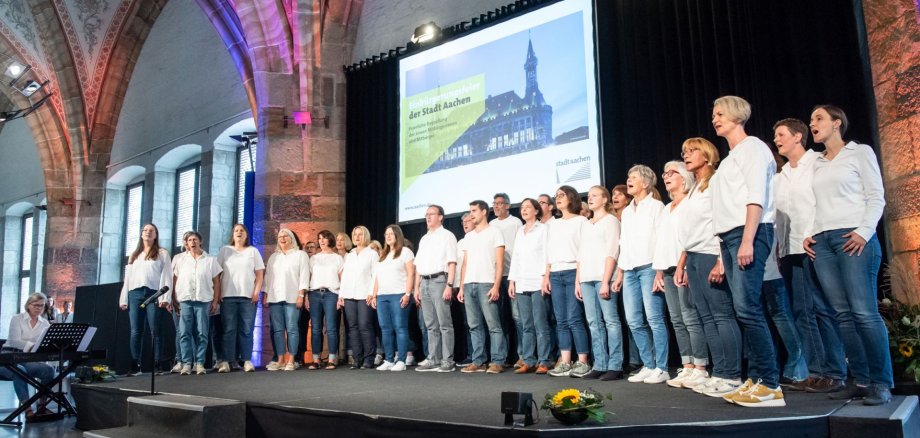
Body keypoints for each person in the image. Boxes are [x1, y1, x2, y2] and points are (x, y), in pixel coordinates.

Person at [804, 104, 891, 405]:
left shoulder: (859, 152)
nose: (812, 123)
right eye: (811, 119)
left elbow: (876, 197)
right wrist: (810, 232)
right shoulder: (816, 162)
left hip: (853, 238)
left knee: (864, 312)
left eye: (818, 118)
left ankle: (881, 382)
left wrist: (864, 232)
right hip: (824, 242)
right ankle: (862, 380)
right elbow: (818, 203)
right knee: (842, 315)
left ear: (836, 123)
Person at [709, 95, 783, 406]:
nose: (715, 118)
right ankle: (755, 380)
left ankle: (770, 385)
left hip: (748, 231)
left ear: (738, 115)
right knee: (744, 309)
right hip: (730, 236)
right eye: (713, 114)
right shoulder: (728, 159)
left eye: (721, 113)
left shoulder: (753, 147)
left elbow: (756, 197)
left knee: (749, 308)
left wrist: (749, 240)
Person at [773, 118, 847, 393]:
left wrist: (814, 233)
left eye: (781, 135)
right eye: (775, 135)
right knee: (802, 311)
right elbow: (778, 218)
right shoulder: (780, 177)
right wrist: (778, 247)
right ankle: (816, 371)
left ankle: (836, 372)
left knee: (823, 309)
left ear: (797, 137)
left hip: (815, 243)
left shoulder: (817, 163)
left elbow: (822, 201)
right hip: (790, 249)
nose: (776, 139)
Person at [676, 137, 742, 395]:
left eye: (692, 150)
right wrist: (683, 263)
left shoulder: (716, 182)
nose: (686, 155)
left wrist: (720, 259)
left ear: (707, 154)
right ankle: (721, 371)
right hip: (693, 256)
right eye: (684, 151)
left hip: (710, 254)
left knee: (722, 314)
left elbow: (723, 221)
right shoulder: (694, 187)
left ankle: (732, 374)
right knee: (705, 317)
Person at [652, 161, 709, 388]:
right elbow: (660, 242)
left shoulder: (690, 203)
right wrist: (658, 272)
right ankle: (687, 365)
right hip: (666, 269)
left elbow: (689, 238)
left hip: (682, 267)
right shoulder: (666, 208)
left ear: (684, 177)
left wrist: (683, 266)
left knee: (690, 317)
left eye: (671, 173)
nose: (666, 176)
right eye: (664, 173)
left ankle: (701, 366)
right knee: (677, 320)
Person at [613, 165, 669, 384]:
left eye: (633, 177)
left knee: (654, 318)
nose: (629, 180)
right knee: (634, 320)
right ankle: (649, 364)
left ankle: (662, 367)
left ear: (645, 183)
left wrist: (659, 271)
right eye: (628, 176)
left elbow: (661, 239)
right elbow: (623, 244)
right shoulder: (626, 212)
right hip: (629, 270)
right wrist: (619, 274)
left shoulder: (657, 207)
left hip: (649, 267)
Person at [575, 186, 624, 380]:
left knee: (611, 321)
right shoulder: (586, 223)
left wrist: (606, 281)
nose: (591, 198)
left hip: (603, 278)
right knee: (594, 323)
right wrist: (577, 281)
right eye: (589, 196)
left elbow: (612, 252)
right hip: (586, 278)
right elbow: (581, 254)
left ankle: (615, 365)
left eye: (595, 195)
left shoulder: (611, 221)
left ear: (605, 200)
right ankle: (600, 363)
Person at [544, 186, 590, 377]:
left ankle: (582, 362)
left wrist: (579, 280)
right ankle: (565, 362)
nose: (559, 198)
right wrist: (546, 276)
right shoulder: (552, 224)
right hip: (555, 273)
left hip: (573, 272)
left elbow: (583, 252)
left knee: (574, 318)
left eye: (562, 195)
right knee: (561, 319)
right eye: (557, 196)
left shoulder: (581, 221)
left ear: (571, 198)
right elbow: (548, 252)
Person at [458, 200, 507, 374]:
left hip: (486, 283)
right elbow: (465, 264)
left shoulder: (495, 232)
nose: (471, 215)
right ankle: (478, 360)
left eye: (474, 211)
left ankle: (497, 360)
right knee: (474, 325)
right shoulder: (469, 236)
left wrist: (496, 286)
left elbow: (499, 263)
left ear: (484, 212)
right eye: (470, 211)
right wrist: (462, 287)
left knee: (493, 324)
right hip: (469, 283)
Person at [119, 223, 172, 376]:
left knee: (155, 330)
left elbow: (167, 275)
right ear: (141, 234)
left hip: (154, 293)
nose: (148, 232)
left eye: (152, 231)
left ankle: (157, 364)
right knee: (136, 331)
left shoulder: (162, 253)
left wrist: (165, 297)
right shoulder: (134, 255)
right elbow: (127, 278)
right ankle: (136, 365)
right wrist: (124, 298)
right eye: (145, 230)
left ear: (156, 235)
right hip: (134, 294)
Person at [508, 198, 553, 374]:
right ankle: (529, 360)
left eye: (528, 207)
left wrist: (546, 277)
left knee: (541, 324)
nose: (524, 210)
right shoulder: (520, 231)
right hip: (521, 282)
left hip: (538, 281)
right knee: (526, 325)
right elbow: (516, 258)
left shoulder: (543, 229)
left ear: (536, 210)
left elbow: (548, 255)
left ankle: (544, 360)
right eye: (522, 207)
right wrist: (512, 281)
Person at [414, 205, 459, 372]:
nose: (427, 217)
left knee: (444, 324)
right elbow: (418, 265)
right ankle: (433, 358)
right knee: (430, 324)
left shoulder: (447, 236)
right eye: (426, 215)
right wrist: (416, 288)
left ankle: (448, 360)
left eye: (431, 214)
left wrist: (450, 285)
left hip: (440, 280)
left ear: (440, 217)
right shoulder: (424, 239)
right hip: (424, 282)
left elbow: (452, 262)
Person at [172, 231, 222, 375]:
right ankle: (187, 363)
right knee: (184, 333)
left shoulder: (210, 260)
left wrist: (215, 300)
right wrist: (174, 299)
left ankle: (199, 363)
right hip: (185, 300)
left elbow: (216, 282)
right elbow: (175, 280)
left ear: (200, 242)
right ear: (186, 243)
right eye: (189, 240)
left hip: (203, 300)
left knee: (202, 333)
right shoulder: (181, 260)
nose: (192, 242)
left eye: (195, 239)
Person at [217, 224, 264, 373]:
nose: (239, 232)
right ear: (232, 235)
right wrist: (217, 293)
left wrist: (256, 292)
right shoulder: (225, 250)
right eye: (236, 231)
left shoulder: (253, 251)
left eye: (241, 230)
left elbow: (259, 274)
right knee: (229, 329)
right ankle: (226, 360)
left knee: (247, 329)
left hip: (247, 296)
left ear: (246, 235)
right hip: (228, 295)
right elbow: (217, 274)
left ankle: (246, 360)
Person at [0, 292, 54, 420]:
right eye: (35, 305)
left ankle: (42, 405)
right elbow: (14, 341)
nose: (39, 308)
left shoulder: (45, 323)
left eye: (42, 306)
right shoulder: (17, 318)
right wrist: (34, 346)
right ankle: (28, 409)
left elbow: (45, 342)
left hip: (28, 358)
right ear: (28, 305)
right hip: (7, 358)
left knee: (49, 371)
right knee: (20, 371)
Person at [263, 228, 310, 371]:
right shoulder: (273, 257)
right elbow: (268, 277)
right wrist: (265, 294)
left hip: (292, 297)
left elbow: (304, 275)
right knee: (277, 330)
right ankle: (280, 359)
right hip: (275, 297)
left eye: (286, 236)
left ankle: (292, 359)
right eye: (280, 236)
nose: (282, 238)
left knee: (292, 328)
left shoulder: (300, 255)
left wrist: (301, 294)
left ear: (292, 238)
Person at [371, 225, 415, 371]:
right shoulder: (383, 255)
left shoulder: (405, 252)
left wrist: (408, 294)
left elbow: (411, 274)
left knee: (400, 327)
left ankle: (401, 360)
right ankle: (389, 359)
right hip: (382, 296)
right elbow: (377, 277)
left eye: (391, 234)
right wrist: (374, 295)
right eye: (386, 234)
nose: (388, 236)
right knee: (385, 328)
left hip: (399, 294)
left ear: (397, 235)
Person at [490, 193, 523, 368]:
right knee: (500, 318)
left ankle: (523, 355)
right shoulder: (491, 225)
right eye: (494, 204)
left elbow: (520, 247)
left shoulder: (515, 222)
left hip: (512, 273)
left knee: (517, 316)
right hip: (495, 276)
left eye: (500, 204)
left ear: (508, 206)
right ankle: (504, 357)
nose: (496, 206)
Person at [339, 226, 378, 369]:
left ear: (365, 236)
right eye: (355, 234)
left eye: (360, 234)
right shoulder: (349, 255)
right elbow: (345, 277)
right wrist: (341, 295)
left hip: (364, 295)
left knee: (365, 326)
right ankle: (357, 359)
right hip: (349, 295)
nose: (357, 237)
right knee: (353, 327)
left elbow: (376, 275)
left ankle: (369, 359)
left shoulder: (372, 254)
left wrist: (372, 293)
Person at [306, 230, 345, 369]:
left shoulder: (338, 258)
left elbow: (342, 280)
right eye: (319, 238)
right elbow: (308, 278)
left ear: (330, 240)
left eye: (324, 238)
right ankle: (316, 359)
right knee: (316, 328)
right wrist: (306, 297)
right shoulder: (313, 258)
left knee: (331, 328)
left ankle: (332, 358)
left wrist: (341, 297)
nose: (321, 241)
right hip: (314, 294)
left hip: (331, 294)